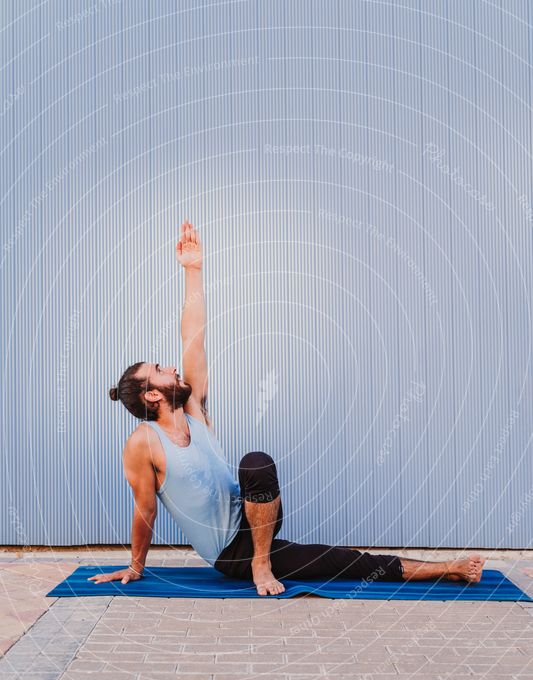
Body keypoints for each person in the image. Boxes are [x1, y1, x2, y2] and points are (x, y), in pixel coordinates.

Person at [90, 220, 485, 596]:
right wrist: (136, 566)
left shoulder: (194, 409)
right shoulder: (144, 441)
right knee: (343, 561)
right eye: (160, 370)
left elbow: (193, 336)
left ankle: (265, 561)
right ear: (151, 395)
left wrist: (193, 270)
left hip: (256, 519)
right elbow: (145, 509)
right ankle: (449, 567)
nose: (171, 367)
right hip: (233, 555)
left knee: (256, 463)